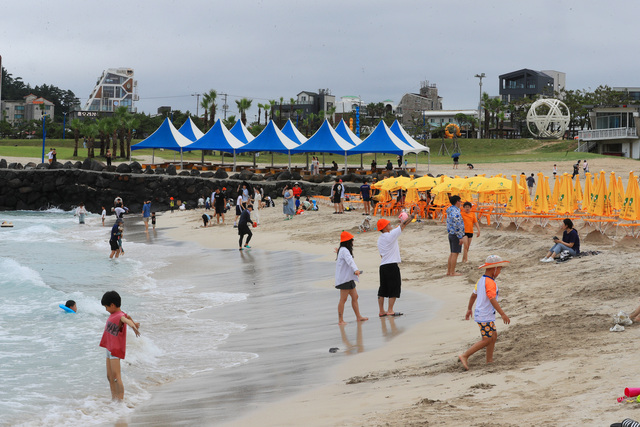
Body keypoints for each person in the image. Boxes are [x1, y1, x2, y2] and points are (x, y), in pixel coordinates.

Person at [458, 255, 511, 371]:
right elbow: (492, 299)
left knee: (493, 336)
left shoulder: (481, 280)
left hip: (483, 314)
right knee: (487, 339)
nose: (500, 272)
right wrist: (502, 313)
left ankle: (489, 360)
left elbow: (473, 295)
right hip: (484, 315)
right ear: (494, 269)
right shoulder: (490, 283)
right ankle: (465, 355)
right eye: (500, 269)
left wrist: (469, 309)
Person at [99, 290, 140, 400]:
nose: (106, 310)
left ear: (112, 305)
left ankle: (120, 400)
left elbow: (126, 320)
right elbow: (129, 317)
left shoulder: (119, 316)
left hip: (115, 349)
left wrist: (133, 327)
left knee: (116, 376)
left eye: (106, 307)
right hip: (109, 348)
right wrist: (135, 322)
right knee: (110, 377)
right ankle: (114, 398)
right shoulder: (115, 314)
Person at [376, 214, 414, 317]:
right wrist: (413, 215)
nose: (390, 225)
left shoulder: (379, 239)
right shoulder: (390, 235)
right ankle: (390, 310)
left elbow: (381, 255)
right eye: (388, 224)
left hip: (383, 266)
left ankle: (381, 311)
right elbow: (403, 224)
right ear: (384, 228)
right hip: (391, 265)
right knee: (394, 287)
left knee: (383, 288)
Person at [335, 231, 368, 325]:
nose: (353, 241)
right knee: (343, 299)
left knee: (355, 296)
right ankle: (340, 320)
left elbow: (348, 260)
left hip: (348, 278)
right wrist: (356, 270)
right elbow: (350, 261)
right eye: (351, 240)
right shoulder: (344, 250)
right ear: (348, 242)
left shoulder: (342, 250)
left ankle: (358, 317)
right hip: (344, 279)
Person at [446, 195, 468, 276]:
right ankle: (452, 272)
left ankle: (449, 271)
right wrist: (460, 236)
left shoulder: (450, 210)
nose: (461, 203)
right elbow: (457, 225)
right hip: (455, 234)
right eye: (460, 201)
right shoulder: (456, 212)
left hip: (451, 233)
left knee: (452, 253)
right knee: (455, 253)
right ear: (457, 202)